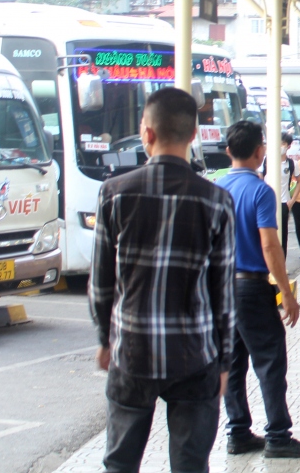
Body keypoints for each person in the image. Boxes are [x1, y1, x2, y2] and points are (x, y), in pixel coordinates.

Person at [90, 87, 235, 473]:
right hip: (195, 355)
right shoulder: (216, 201)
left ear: (147, 134)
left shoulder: (114, 194)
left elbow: (102, 282)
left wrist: (105, 339)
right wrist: (224, 360)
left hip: (132, 351)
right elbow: (223, 294)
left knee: (120, 463)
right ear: (193, 136)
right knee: (190, 464)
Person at [216, 121, 300, 459]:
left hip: (222, 289)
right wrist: (286, 294)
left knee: (232, 363)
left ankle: (238, 432)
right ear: (261, 151)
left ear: (229, 151)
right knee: (270, 362)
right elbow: (269, 244)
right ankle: (277, 434)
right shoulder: (261, 191)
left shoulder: (216, 189)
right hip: (252, 289)